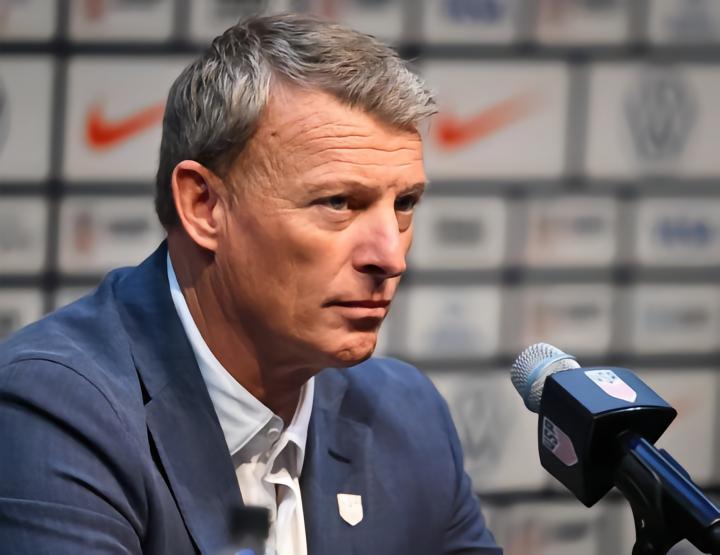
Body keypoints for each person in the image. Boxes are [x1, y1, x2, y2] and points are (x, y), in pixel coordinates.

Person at [0, 13, 501, 555]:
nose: (390, 256)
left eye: (404, 204)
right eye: (338, 202)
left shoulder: (407, 417)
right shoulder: (58, 409)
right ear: (204, 206)